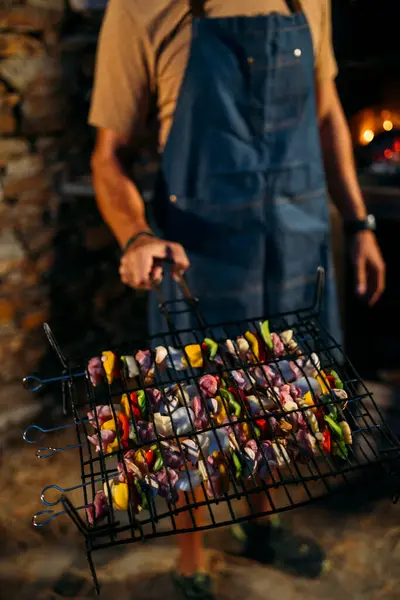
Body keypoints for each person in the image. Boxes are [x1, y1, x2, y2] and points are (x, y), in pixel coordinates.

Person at [89, 1, 386, 597]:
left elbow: (327, 113)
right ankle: (192, 562)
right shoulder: (140, 7)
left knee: (279, 397)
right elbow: (108, 156)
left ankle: (258, 523)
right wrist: (138, 235)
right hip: (201, 255)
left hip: (297, 243)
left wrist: (359, 223)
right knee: (192, 420)